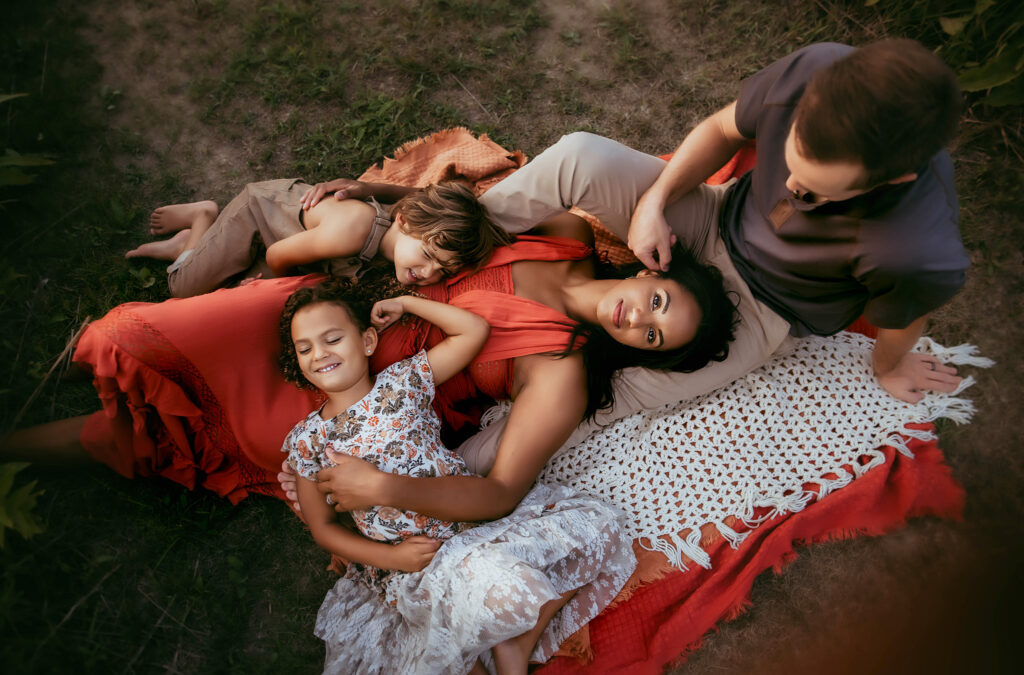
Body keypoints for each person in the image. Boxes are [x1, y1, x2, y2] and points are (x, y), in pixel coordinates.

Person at [305, 39, 968, 464]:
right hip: (710, 215)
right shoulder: (819, 72)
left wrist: (889, 366)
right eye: (790, 163)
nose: (790, 190)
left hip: (763, 309)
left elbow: (902, 318)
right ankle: (437, 239)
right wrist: (654, 201)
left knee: (618, 391)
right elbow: (719, 129)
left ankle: (445, 462)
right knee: (579, 157)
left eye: (817, 193)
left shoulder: (916, 249)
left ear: (892, 181)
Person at [2, 213, 737, 516]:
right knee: (147, 332)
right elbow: (452, 217)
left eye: (652, 339)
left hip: (358, 396)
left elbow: (504, 491)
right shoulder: (566, 231)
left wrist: (386, 484)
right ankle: (47, 368)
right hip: (336, 312)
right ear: (650, 272)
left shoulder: (561, 372)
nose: (639, 320)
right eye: (660, 303)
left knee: (133, 433)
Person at [279, 280, 634, 675]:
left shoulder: (402, 383)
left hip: (468, 528)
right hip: (410, 567)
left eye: (332, 339)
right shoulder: (307, 441)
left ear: (367, 341)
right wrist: (391, 559)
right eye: (305, 348)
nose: (320, 353)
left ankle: (516, 639)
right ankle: (499, 643)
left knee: (594, 530)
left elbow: (473, 331)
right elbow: (322, 529)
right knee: (437, 666)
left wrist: (406, 302)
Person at [125, 180, 512, 294]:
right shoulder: (353, 232)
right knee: (183, 290)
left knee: (231, 287)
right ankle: (201, 219)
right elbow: (278, 257)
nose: (428, 273)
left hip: (291, 239)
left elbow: (418, 197)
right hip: (260, 219)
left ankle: (196, 246)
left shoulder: (400, 238)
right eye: (429, 255)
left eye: (443, 271)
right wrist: (264, 286)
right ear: (407, 222)